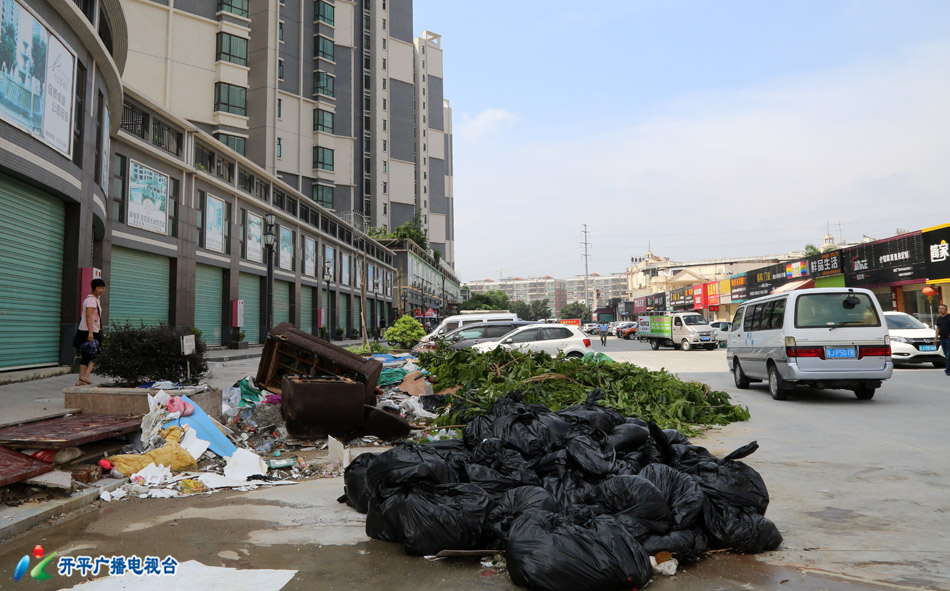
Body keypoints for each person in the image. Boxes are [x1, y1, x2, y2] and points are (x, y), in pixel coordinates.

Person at [73, 278, 105, 386]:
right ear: (94, 288)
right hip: (90, 331)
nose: (102, 290)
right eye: (99, 288)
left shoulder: (95, 299)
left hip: (87, 330)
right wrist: (91, 333)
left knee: (86, 356)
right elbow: (88, 316)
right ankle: (85, 376)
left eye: (103, 288)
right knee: (97, 355)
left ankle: (81, 381)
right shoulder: (91, 300)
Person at [933, 304, 950, 376]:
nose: (940, 310)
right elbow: (938, 328)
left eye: (942, 309)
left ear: (946, 309)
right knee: (946, 354)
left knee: (949, 355)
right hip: (942, 338)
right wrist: (936, 338)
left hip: (949, 339)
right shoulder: (939, 318)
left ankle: (948, 370)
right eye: (939, 309)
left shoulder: (949, 317)